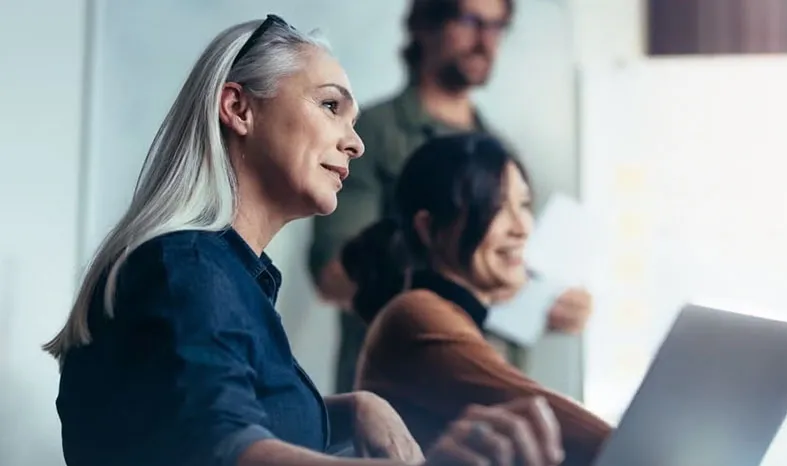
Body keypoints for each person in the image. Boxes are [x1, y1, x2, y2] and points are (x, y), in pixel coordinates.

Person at [41, 15, 565, 466]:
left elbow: (229, 416)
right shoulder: (187, 271)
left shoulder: (227, 280)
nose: (354, 142)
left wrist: (350, 409)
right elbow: (225, 451)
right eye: (330, 107)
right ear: (239, 109)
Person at [308, 0, 592, 395]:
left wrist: (544, 301)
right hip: (399, 399)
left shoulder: (500, 149)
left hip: (495, 394)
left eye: (498, 26)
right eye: (470, 20)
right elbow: (334, 276)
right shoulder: (368, 133)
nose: (485, 40)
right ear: (425, 25)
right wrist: (477, 279)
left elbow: (513, 272)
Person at [342, 133, 612, 463]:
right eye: (496, 207)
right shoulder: (415, 313)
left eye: (524, 204)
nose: (522, 227)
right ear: (429, 228)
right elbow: (567, 428)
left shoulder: (444, 315)